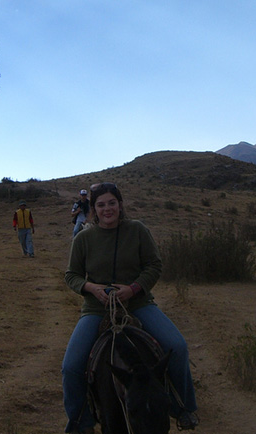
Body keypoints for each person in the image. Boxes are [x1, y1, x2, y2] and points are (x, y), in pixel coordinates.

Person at [61, 182, 199, 433]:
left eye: (111, 203)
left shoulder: (137, 230)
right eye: (100, 205)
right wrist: (92, 288)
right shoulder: (83, 238)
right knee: (70, 366)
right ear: (93, 209)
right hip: (96, 309)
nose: (107, 209)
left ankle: (183, 408)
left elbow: (154, 265)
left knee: (177, 347)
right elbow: (72, 276)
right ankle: (80, 421)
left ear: (120, 204)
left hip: (138, 304)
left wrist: (133, 289)